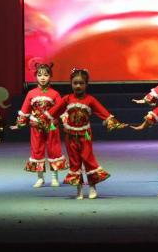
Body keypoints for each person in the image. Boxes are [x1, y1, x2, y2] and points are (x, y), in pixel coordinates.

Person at [43, 68, 126, 199]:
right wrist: (40, 120)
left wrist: (113, 122)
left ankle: (92, 186)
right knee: (74, 162)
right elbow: (52, 112)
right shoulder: (67, 99)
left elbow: (103, 113)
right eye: (75, 83)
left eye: (81, 83)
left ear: (86, 84)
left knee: (88, 159)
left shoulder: (90, 100)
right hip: (70, 136)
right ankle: (79, 189)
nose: (78, 86)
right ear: (71, 84)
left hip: (85, 135)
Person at [10, 61, 66, 187]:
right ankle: (40, 178)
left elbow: (62, 110)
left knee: (54, 150)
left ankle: (54, 177)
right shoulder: (31, 93)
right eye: (40, 75)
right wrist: (19, 123)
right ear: (36, 77)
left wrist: (68, 123)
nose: (43, 78)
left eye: (46, 75)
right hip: (36, 127)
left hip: (51, 126)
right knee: (37, 150)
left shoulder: (55, 94)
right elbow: (25, 110)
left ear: (50, 76)